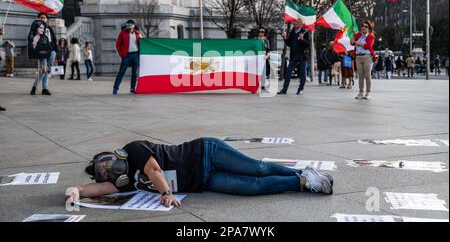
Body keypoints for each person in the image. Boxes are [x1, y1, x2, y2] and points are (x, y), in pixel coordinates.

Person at [65, 138, 334, 207]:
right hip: (202, 180)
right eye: (105, 172)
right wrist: (76, 191)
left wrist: (166, 194)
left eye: (108, 164)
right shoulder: (121, 183)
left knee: (257, 168)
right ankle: (302, 182)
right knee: (252, 188)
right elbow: (97, 190)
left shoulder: (134, 149)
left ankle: (303, 171)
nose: (109, 171)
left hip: (206, 152)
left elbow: (155, 170)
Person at [278, 18, 310, 95]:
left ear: (301, 24)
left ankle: (300, 89)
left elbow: (308, 44)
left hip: (302, 56)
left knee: (302, 74)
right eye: (295, 22)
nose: (295, 23)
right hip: (294, 56)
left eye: (297, 22)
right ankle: (284, 89)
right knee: (288, 72)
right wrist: (285, 38)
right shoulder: (292, 32)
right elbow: (289, 44)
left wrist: (302, 39)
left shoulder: (304, 32)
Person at [113, 20, 142, 95]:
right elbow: (118, 44)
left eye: (130, 25)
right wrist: (122, 54)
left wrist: (141, 39)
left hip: (135, 55)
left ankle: (132, 89)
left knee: (134, 73)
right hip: (126, 55)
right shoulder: (122, 33)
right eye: (127, 26)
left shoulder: (138, 33)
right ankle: (115, 88)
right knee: (121, 72)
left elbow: (142, 43)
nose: (128, 27)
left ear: (133, 26)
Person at [351, 20, 377, 100]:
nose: (363, 28)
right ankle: (360, 92)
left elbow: (368, 46)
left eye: (366, 27)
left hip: (367, 57)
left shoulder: (371, 36)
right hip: (358, 57)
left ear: (369, 29)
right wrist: (353, 35)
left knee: (367, 76)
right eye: (362, 26)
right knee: (360, 76)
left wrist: (357, 43)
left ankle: (368, 92)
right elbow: (351, 43)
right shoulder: (358, 35)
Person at [29, 21, 53, 96]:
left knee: (43, 72)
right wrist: (40, 51)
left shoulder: (45, 37)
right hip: (41, 57)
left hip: (46, 55)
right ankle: (34, 87)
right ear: (36, 28)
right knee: (44, 71)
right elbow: (33, 48)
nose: (42, 29)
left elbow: (49, 47)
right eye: (40, 27)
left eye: (43, 28)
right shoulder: (34, 37)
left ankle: (34, 87)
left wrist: (46, 51)